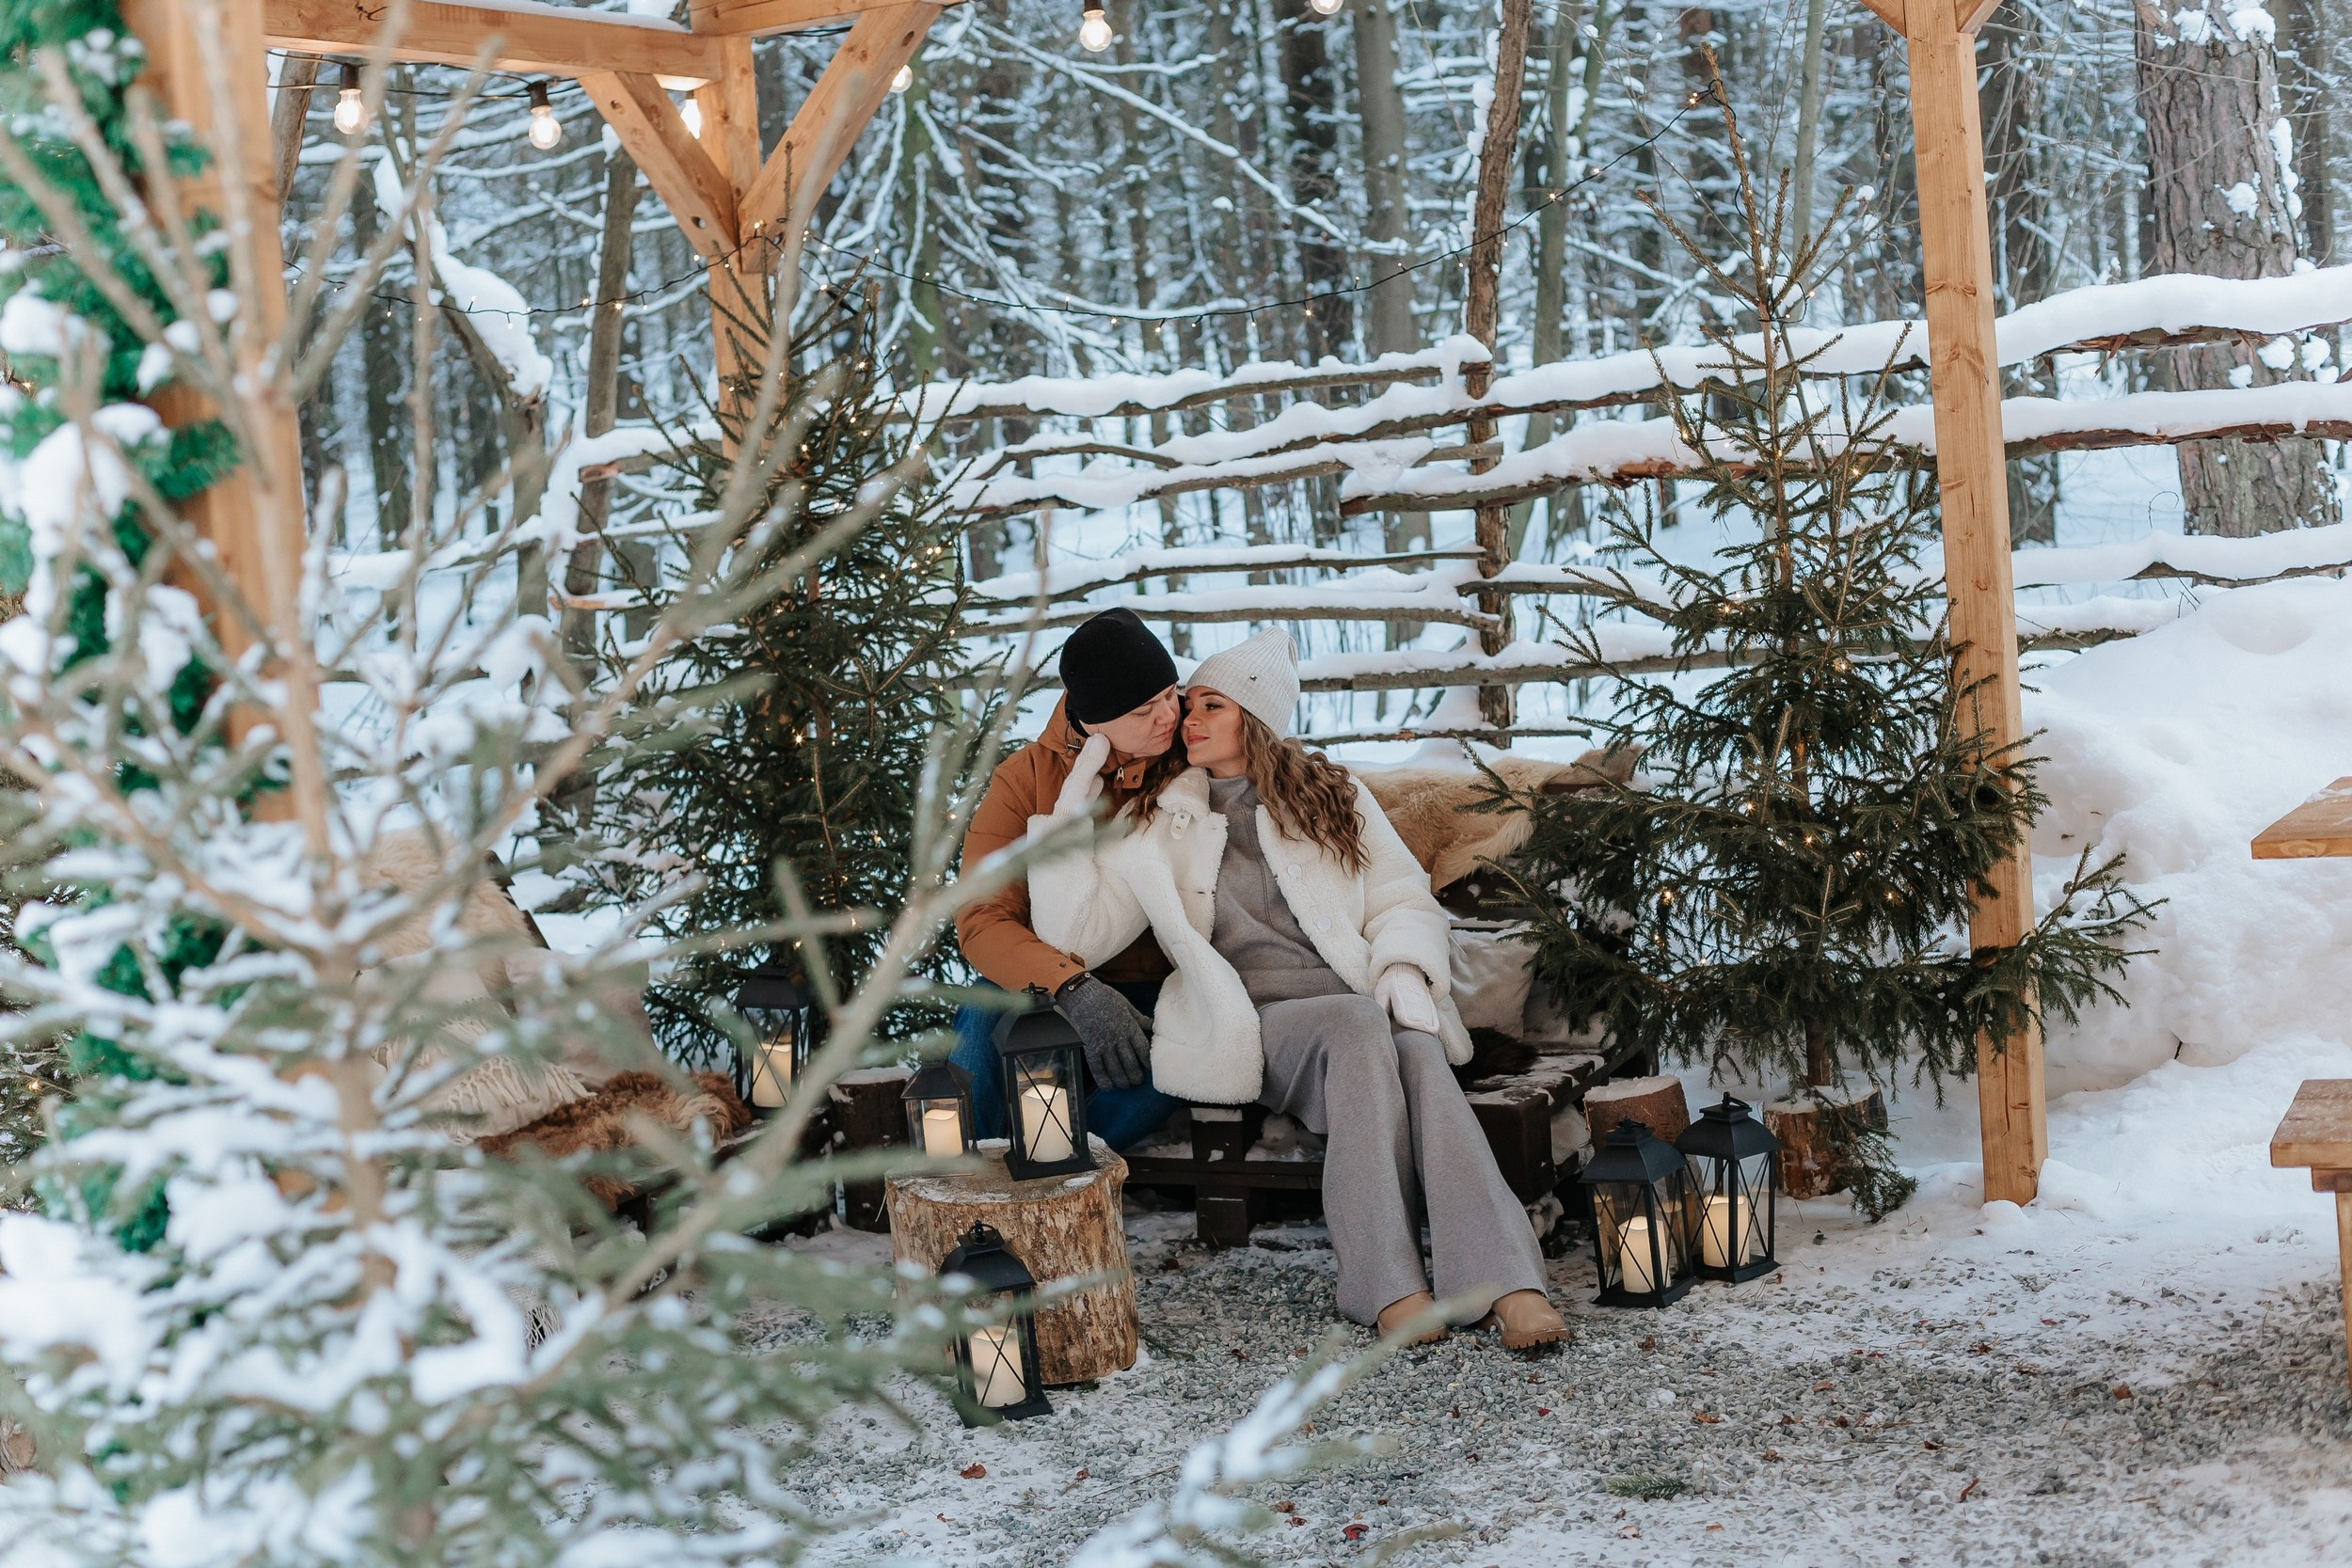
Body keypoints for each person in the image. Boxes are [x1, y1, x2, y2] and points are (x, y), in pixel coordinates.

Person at [1026, 626, 1570, 1350]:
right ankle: (1391, 1287)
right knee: (1359, 1025)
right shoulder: (1160, 822)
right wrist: (1070, 806)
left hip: (1356, 1007)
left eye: (1210, 706)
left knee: (1415, 1048)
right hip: (1253, 1022)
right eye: (1191, 704)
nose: (1188, 718)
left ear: (1255, 717)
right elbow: (1078, 933)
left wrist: (1404, 968)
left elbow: (1402, 896)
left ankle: (1506, 1282)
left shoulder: (1331, 794)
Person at [950, 608, 1180, 1149]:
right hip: (1051, 981)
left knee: (1173, 1071)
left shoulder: (1193, 751)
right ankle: (964, 1184)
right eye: (1146, 708)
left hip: (1164, 985)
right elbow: (981, 917)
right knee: (982, 1025)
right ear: (1093, 720)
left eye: (1171, 693)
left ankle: (1053, 1169)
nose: (1168, 714)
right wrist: (1071, 986)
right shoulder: (1026, 778)